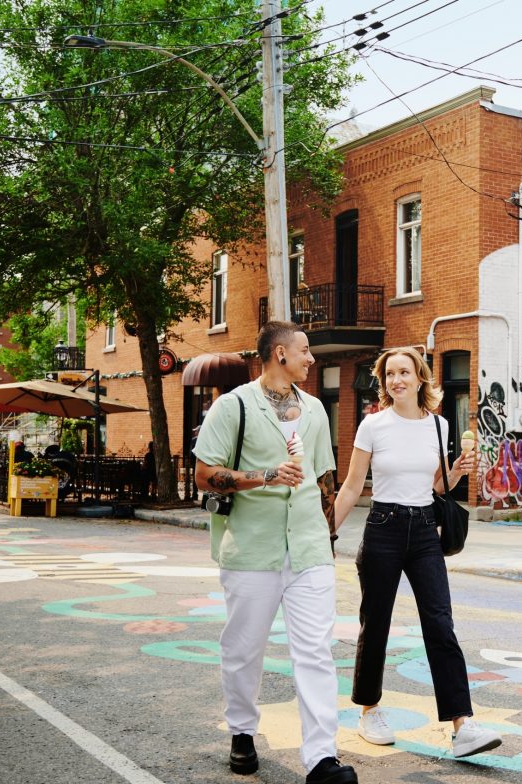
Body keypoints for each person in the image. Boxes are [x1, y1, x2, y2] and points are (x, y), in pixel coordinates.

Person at [193, 321, 357, 784]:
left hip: (309, 550)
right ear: (280, 353)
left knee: (316, 653)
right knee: (244, 649)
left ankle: (322, 760)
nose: (311, 359)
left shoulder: (316, 411)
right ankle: (242, 730)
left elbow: (324, 479)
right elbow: (206, 475)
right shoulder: (233, 407)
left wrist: (328, 540)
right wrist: (264, 476)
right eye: (305, 351)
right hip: (251, 548)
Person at [333, 347, 503, 759]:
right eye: (390, 374)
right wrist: (326, 535)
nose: (397, 380)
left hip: (426, 530)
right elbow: (353, 486)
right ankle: (370, 710)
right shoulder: (373, 425)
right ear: (384, 380)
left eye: (404, 372)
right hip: (383, 530)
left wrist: (457, 473)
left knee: (440, 624)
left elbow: (433, 488)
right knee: (375, 624)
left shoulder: (441, 426)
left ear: (420, 377)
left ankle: (462, 724)